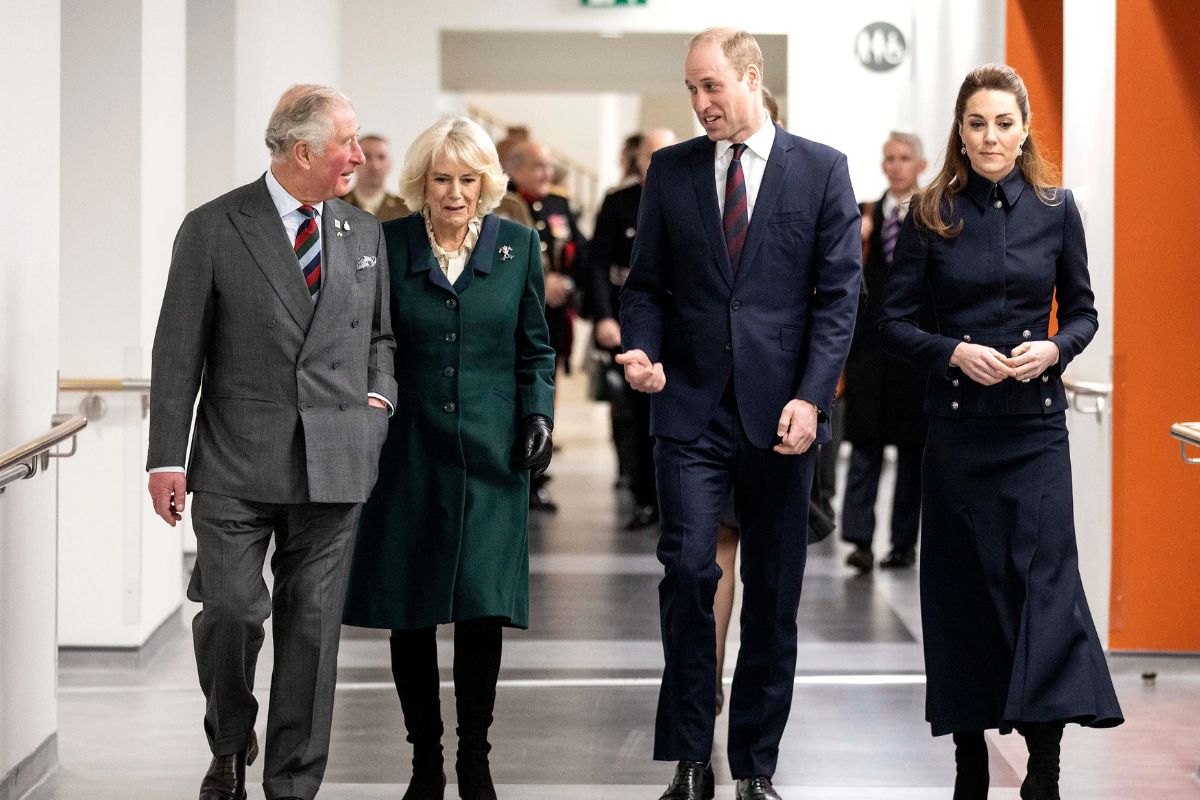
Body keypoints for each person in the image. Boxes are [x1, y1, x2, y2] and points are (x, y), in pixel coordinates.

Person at [619, 28, 860, 800]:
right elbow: (646, 286)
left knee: (774, 594)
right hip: (688, 409)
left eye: (712, 86)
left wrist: (811, 397)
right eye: (692, 88)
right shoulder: (672, 170)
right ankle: (691, 759)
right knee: (690, 573)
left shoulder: (821, 170)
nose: (700, 102)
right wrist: (641, 348)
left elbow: (839, 299)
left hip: (782, 415)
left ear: (751, 78)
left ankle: (756, 765)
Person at [878, 63, 1123, 799]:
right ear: (961, 131)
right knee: (963, 596)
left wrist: (1055, 349)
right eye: (978, 123)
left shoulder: (1056, 208)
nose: (991, 137)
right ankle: (969, 757)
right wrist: (953, 352)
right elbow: (891, 323)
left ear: (1024, 130)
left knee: (1043, 592)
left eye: (1004, 123)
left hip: (1035, 433)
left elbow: (1083, 311)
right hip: (958, 434)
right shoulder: (930, 212)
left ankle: (1044, 767)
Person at [145, 84, 396, 800]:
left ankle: (292, 785)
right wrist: (166, 458)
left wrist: (377, 403)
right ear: (303, 151)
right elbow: (178, 351)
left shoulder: (363, 232)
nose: (359, 156)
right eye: (347, 142)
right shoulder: (214, 227)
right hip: (234, 461)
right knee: (230, 611)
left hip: (337, 457)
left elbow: (381, 337)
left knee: (311, 634)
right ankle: (229, 738)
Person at [342, 116, 556, 800]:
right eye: (441, 179)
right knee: (411, 609)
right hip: (407, 454)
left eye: (468, 179)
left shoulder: (518, 247)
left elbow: (536, 347)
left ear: (486, 182)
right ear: (421, 182)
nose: (455, 193)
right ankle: (425, 761)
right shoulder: (388, 243)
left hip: (493, 455)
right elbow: (369, 340)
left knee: (481, 607)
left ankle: (474, 757)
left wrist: (539, 413)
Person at [841, 132, 929, 574]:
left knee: (913, 453)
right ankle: (859, 540)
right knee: (864, 447)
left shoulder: (936, 216)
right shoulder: (863, 216)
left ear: (921, 165)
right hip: (869, 351)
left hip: (916, 353)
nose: (896, 166)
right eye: (890, 158)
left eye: (905, 158)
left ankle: (902, 543)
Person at [586, 128, 678, 530]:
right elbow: (598, 264)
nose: (657, 163)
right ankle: (644, 498)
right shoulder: (619, 202)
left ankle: (675, 499)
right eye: (650, 155)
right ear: (637, 160)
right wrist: (604, 316)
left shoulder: (693, 195)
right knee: (636, 414)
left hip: (679, 322)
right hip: (633, 315)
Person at [506, 138, 588, 511]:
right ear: (515, 168)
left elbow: (582, 255)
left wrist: (567, 283)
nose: (546, 173)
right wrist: (542, 283)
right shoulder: (501, 202)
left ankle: (537, 474)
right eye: (538, 166)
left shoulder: (558, 204)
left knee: (543, 391)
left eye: (549, 166)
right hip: (512, 317)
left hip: (550, 319)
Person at [343, 134, 411, 220]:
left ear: (390, 164)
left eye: (381, 157)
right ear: (353, 162)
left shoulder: (406, 210)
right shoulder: (334, 205)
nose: (375, 165)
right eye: (366, 156)